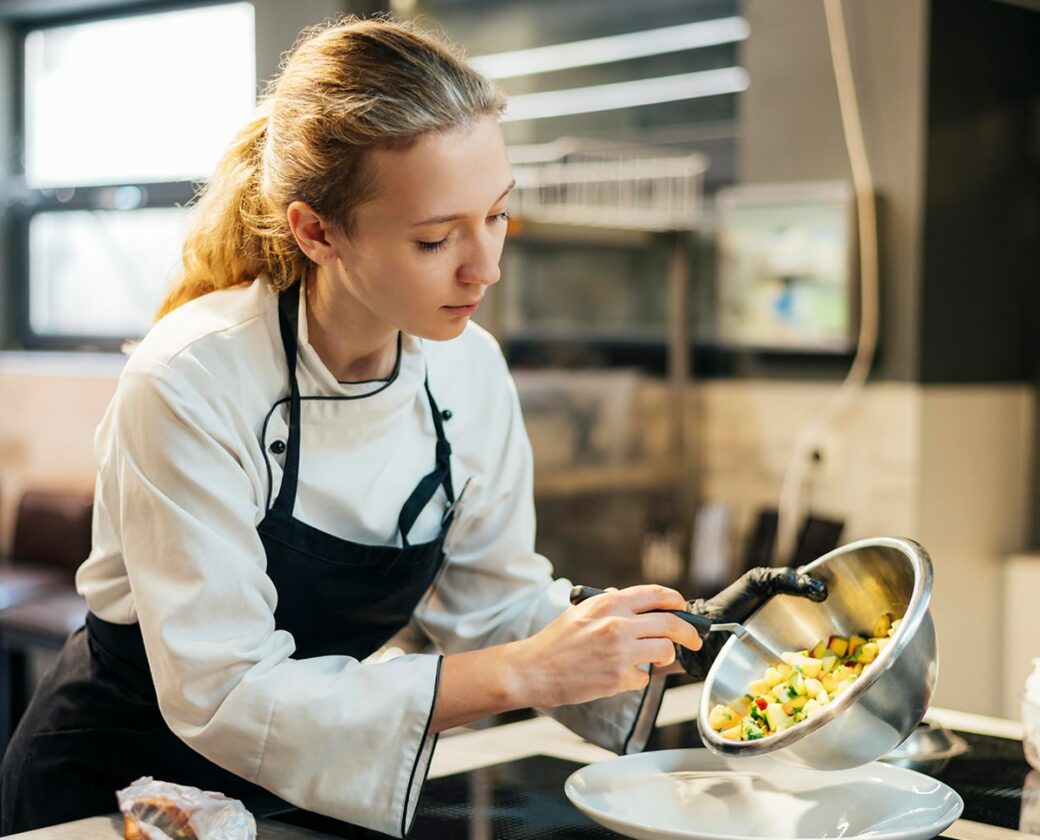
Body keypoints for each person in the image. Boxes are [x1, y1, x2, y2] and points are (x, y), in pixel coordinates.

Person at [0, 16, 825, 837]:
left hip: (313, 784)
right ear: (316, 231)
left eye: (497, 215)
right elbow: (226, 691)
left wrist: (679, 638)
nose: (485, 267)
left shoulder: (469, 369)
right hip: (117, 792)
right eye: (435, 240)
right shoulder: (191, 379)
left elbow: (495, 606)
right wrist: (519, 672)